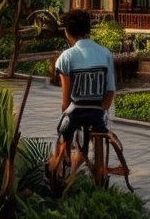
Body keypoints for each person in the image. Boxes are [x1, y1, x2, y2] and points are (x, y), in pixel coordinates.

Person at [47, 9, 116, 175]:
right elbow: (110, 90)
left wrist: (65, 111)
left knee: (63, 130)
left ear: (67, 32)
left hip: (76, 110)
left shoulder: (67, 57)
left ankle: (62, 164)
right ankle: (96, 168)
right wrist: (101, 110)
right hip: (98, 112)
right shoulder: (105, 53)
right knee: (98, 131)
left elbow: (66, 99)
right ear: (88, 30)